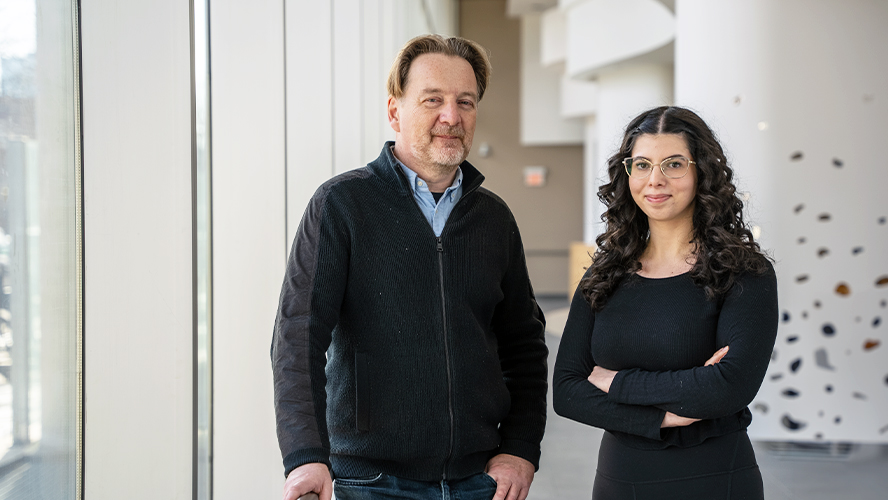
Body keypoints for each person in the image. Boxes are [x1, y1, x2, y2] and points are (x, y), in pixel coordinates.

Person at [272, 34, 548, 500]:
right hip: (371, 481)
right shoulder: (342, 205)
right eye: (433, 100)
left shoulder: (493, 218)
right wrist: (305, 455)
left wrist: (521, 447)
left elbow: (524, 343)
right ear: (395, 111)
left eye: (465, 101)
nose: (452, 116)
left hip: (479, 481)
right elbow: (298, 338)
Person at [553, 106, 777, 499]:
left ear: (700, 172)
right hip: (621, 480)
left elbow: (728, 388)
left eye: (673, 164)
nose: (655, 180)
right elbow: (567, 392)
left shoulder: (743, 272)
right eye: (642, 164)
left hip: (714, 479)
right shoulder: (605, 275)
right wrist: (666, 416)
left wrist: (614, 381)